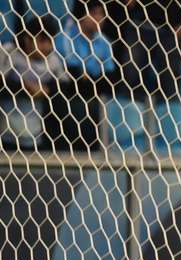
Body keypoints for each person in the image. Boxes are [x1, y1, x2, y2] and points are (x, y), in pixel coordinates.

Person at [0, 16, 69, 150]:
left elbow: (65, 87)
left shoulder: (53, 60)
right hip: (5, 133)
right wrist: (24, 87)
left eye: (50, 41)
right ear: (27, 39)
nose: (47, 46)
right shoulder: (9, 52)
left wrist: (47, 90)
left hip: (36, 135)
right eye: (43, 41)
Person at [55, 0, 115, 150]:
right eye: (95, 13)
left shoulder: (105, 42)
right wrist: (90, 79)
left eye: (102, 13)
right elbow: (72, 75)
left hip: (95, 101)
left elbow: (109, 79)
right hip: (68, 99)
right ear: (81, 15)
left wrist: (88, 78)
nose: (100, 18)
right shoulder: (65, 38)